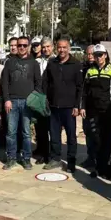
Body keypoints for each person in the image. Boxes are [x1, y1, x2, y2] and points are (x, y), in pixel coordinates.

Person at [80, 44, 111, 180]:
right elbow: (85, 92)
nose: (98, 57)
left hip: (108, 111)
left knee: (107, 140)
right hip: (93, 111)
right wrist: (83, 107)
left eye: (100, 55)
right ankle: (98, 167)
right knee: (96, 139)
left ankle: (107, 169)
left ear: (105, 55)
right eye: (96, 55)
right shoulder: (90, 71)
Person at [1, 35, 41, 170]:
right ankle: (11, 158)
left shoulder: (34, 63)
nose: (22, 48)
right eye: (19, 45)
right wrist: (6, 99)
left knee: (26, 132)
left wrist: (33, 100)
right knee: (11, 132)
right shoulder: (10, 62)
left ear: (28, 46)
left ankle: (26, 158)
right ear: (16, 46)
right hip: (12, 101)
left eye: (24, 45)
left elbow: (38, 84)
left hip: (27, 102)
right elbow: (4, 82)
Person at [42, 39, 82, 173]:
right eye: (59, 47)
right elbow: (45, 82)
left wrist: (77, 105)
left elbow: (79, 87)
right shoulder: (52, 63)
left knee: (71, 136)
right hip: (54, 106)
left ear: (69, 48)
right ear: (56, 48)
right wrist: (45, 99)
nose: (62, 50)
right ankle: (55, 158)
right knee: (54, 135)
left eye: (64, 47)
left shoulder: (76, 64)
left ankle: (71, 162)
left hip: (69, 107)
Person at [33, 36, 55, 164]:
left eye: (48, 47)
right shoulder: (37, 61)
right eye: (44, 47)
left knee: (52, 129)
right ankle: (43, 153)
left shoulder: (57, 61)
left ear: (52, 47)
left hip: (52, 99)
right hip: (39, 98)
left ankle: (52, 154)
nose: (46, 49)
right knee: (40, 128)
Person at [81, 44, 96, 168]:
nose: (90, 56)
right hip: (87, 107)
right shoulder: (83, 68)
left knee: (99, 135)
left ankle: (101, 160)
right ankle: (90, 157)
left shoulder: (105, 68)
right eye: (88, 54)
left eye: (93, 54)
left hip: (99, 108)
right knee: (88, 132)